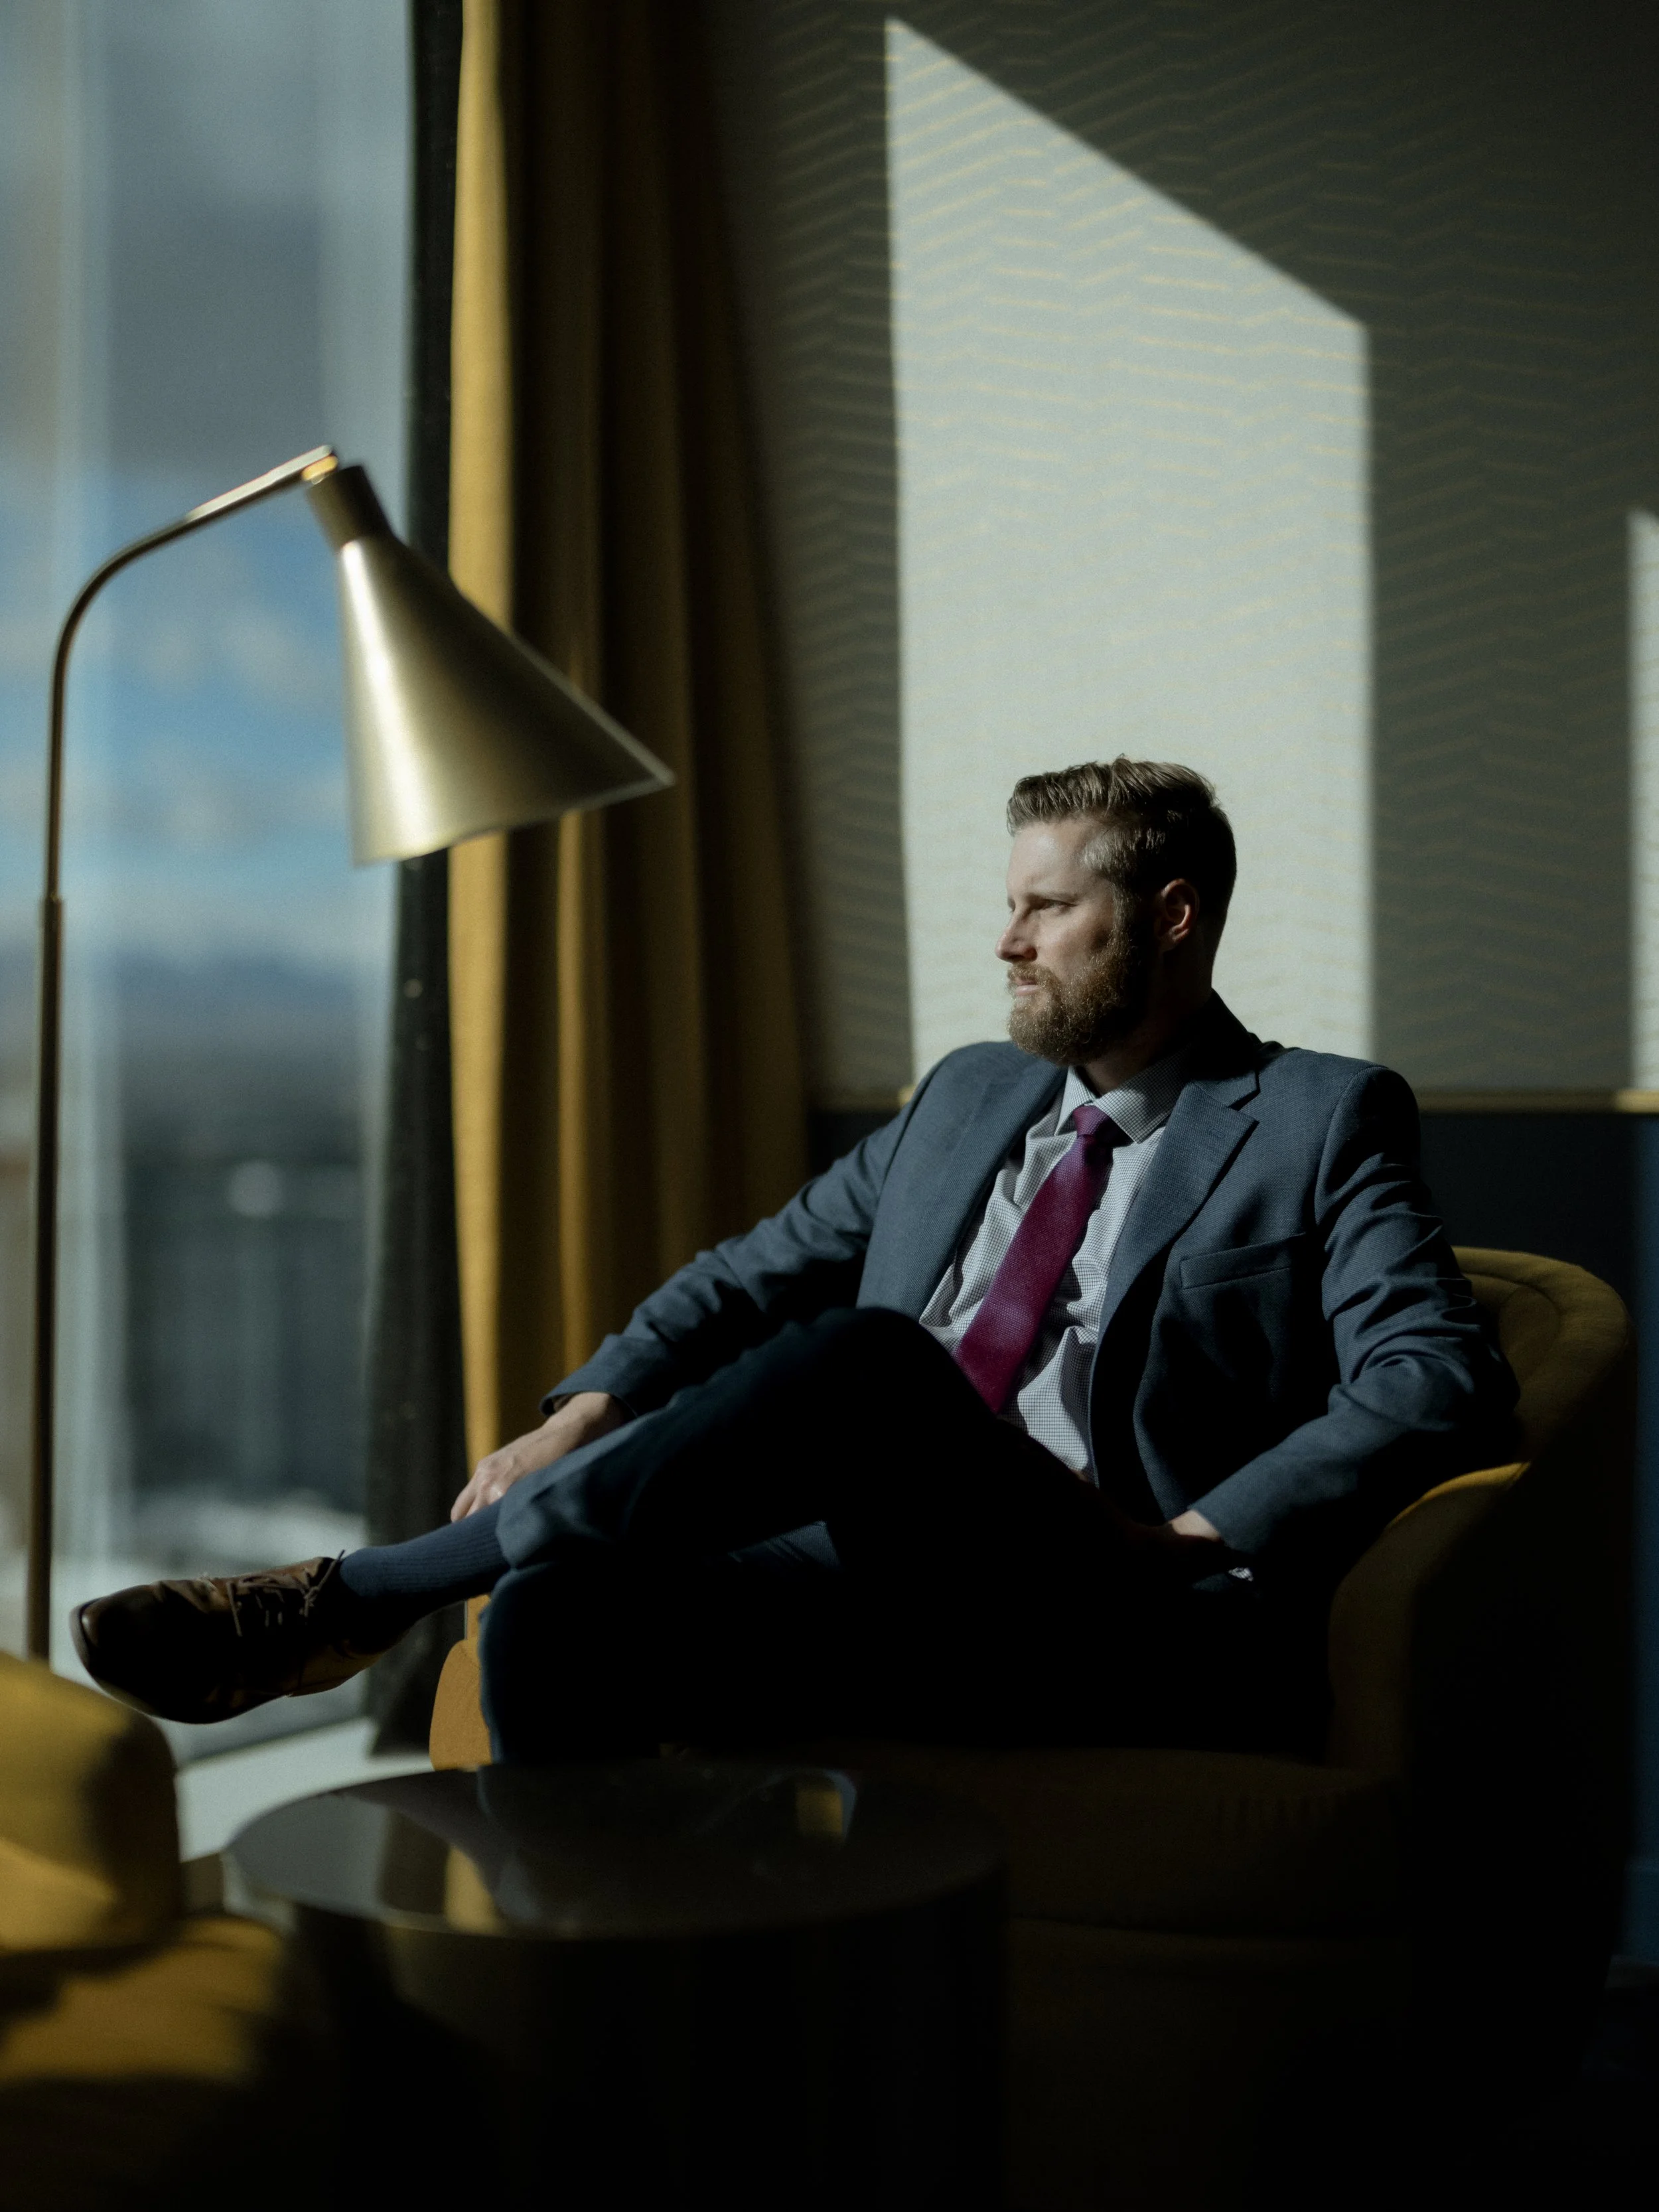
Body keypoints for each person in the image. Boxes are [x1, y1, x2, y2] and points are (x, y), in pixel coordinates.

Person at [73, 759, 1516, 1762]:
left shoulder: (1319, 1115)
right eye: (1006, 902)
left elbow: (1431, 1370)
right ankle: (598, 2004)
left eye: (1045, 909)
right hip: (872, 1579)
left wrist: (1198, 1534)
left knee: (873, 1362)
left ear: (1174, 917)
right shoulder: (965, 1095)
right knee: (554, 1606)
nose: (1001, 940)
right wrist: (580, 1411)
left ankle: (361, 1597)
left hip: (1103, 1594)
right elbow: (749, 1273)